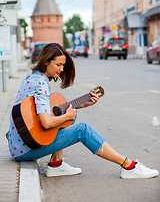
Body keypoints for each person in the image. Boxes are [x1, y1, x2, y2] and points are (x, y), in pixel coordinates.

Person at [7, 43, 159, 179]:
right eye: (58, 64)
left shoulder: (32, 77)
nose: (61, 69)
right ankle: (128, 166)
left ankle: (56, 165)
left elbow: (37, 114)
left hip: (19, 145)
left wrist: (81, 105)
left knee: (69, 116)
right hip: (26, 150)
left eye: (63, 65)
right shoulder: (41, 84)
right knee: (82, 129)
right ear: (46, 61)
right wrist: (66, 115)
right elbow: (46, 122)